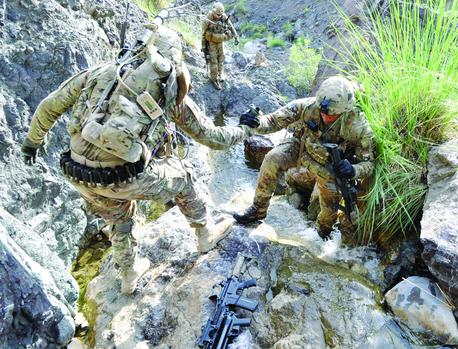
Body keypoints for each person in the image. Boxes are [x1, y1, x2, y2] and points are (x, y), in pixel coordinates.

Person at [20, 26, 254, 295]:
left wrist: (31, 144)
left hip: (77, 174)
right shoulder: (166, 89)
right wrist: (246, 128)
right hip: (125, 178)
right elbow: (214, 138)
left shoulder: (100, 73)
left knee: (119, 214)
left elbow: (49, 106)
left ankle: (129, 273)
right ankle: (205, 233)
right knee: (184, 175)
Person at [234, 76, 375, 239]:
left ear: (345, 110)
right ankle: (257, 210)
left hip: (330, 168)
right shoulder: (306, 106)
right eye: (323, 112)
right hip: (302, 148)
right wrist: (256, 123)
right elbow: (273, 121)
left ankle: (321, 235)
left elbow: (369, 164)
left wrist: (352, 170)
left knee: (328, 212)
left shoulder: (359, 128)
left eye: (333, 115)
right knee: (272, 158)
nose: (326, 117)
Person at [201, 1, 239, 90]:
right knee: (213, 60)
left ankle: (220, 74)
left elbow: (230, 26)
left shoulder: (223, 17)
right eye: (217, 14)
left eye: (220, 14)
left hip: (220, 40)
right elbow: (203, 34)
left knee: (221, 58)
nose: (219, 16)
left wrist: (236, 36)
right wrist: (203, 47)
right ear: (213, 12)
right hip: (211, 42)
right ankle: (214, 79)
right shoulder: (207, 20)